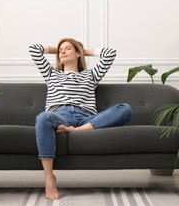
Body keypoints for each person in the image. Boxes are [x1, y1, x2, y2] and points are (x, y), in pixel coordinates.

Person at [29, 38, 133, 200]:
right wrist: (61, 49)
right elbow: (34, 49)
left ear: (78, 54)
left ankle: (76, 131)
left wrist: (82, 49)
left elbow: (110, 54)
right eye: (60, 50)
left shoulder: (90, 75)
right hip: (59, 115)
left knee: (125, 109)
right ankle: (49, 177)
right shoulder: (51, 73)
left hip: (87, 118)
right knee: (42, 118)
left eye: (67, 49)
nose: (62, 52)